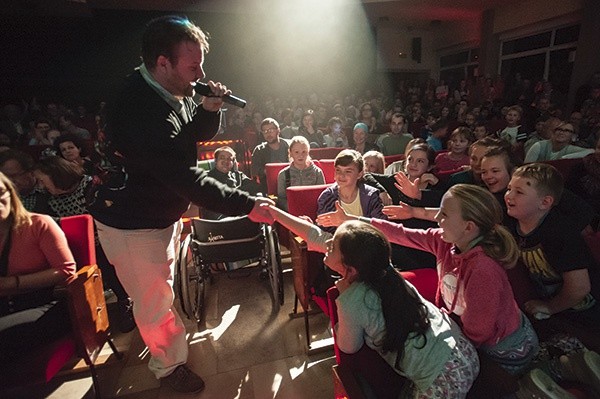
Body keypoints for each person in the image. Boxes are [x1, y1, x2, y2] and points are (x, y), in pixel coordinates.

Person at [88, 15, 272, 394]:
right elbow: (185, 174)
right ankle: (169, 368)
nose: (201, 72)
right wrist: (247, 203)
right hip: (132, 222)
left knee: (160, 291)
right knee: (153, 301)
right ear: (162, 63)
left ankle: (161, 337)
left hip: (158, 213)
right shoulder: (137, 108)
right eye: (193, 66)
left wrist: (208, 108)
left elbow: (191, 137)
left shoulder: (170, 90)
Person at [318, 185, 539, 385]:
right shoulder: (444, 240)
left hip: (504, 349)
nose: (437, 219)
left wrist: (443, 348)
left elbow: (479, 331)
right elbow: (401, 234)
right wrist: (354, 220)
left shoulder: (483, 270)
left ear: (468, 227)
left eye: (443, 215)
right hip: (470, 339)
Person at [264, 205, 480, 398]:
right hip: (464, 351)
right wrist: (276, 214)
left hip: (445, 379)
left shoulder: (351, 301)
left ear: (350, 269)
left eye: (332, 246)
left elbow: (348, 346)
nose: (327, 243)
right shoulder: (387, 273)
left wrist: (339, 313)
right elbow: (315, 236)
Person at [32, 156, 135, 333]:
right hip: (73, 244)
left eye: (42, 180)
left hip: (104, 238)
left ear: (55, 174)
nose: (41, 185)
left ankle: (125, 299)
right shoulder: (47, 198)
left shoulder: (89, 186)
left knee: (103, 257)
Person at [0, 172, 76, 362]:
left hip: (44, 304)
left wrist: (12, 283)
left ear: (11, 193)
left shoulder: (38, 224)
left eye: (1, 192)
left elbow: (66, 270)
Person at [202, 146, 260, 219]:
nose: (226, 161)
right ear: (216, 161)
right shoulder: (206, 178)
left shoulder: (238, 175)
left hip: (241, 216)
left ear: (233, 163)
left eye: (230, 159)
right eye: (222, 158)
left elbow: (254, 187)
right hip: (219, 220)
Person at [276, 136, 325, 211]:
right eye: (296, 152)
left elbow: (322, 195)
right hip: (291, 212)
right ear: (290, 153)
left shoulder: (317, 172)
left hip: (313, 210)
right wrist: (292, 208)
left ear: (308, 152)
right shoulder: (283, 174)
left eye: (304, 152)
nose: (300, 155)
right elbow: (281, 198)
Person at [0, 149, 51, 214]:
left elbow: (66, 222)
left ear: (31, 172)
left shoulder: (50, 190)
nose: (10, 181)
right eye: (5, 177)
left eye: (14, 175)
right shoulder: (4, 197)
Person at [251, 117, 290, 193]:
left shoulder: (289, 145)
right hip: (268, 185)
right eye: (265, 131)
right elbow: (254, 170)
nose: (268, 134)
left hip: (290, 181)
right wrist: (267, 171)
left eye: (271, 130)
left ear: (278, 130)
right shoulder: (259, 150)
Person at [525, 121, 594, 163]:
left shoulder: (570, 149)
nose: (561, 132)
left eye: (567, 131)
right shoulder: (539, 146)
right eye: (559, 129)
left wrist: (565, 158)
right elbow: (526, 167)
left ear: (572, 136)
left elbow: (592, 151)